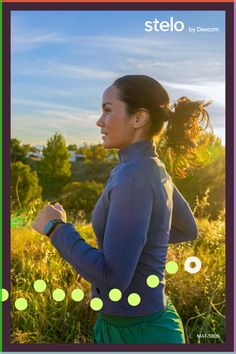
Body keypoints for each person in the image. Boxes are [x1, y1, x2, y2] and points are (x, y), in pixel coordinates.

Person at [32, 75, 211, 344]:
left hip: (138, 334)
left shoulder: (134, 175)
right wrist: (136, 243)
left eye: (107, 110)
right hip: (147, 322)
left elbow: (112, 278)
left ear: (138, 118)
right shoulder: (152, 167)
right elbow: (188, 229)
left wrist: (56, 228)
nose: (99, 121)